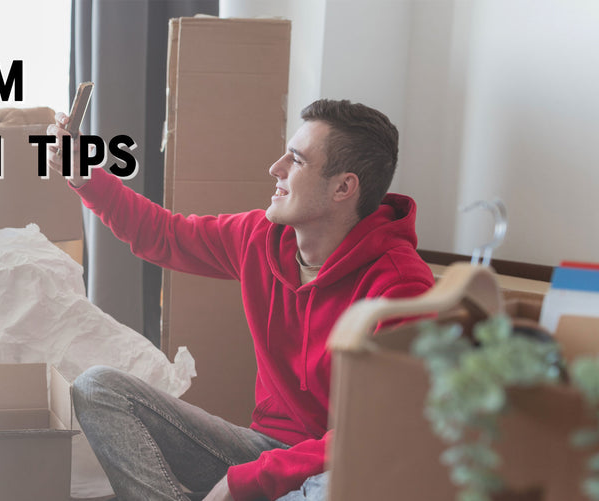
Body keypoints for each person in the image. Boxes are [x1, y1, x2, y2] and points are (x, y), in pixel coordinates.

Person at [46, 99, 435, 501]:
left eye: (296, 161)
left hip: (340, 468)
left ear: (343, 187)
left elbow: (378, 432)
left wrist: (244, 481)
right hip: (260, 448)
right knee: (96, 388)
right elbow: (162, 235)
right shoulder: (260, 238)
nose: (276, 168)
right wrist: (84, 176)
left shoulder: (402, 288)